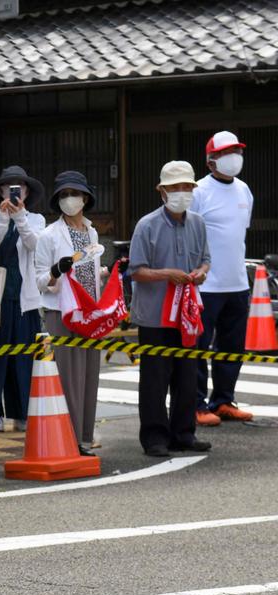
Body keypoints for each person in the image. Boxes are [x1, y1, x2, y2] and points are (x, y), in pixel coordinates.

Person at [128, 161, 212, 458]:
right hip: (154, 314)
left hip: (186, 315)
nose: (182, 192)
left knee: (188, 376)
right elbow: (135, 270)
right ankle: (154, 436)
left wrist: (200, 272)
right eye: (175, 187)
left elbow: (205, 259)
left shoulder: (198, 223)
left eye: (187, 187)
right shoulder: (147, 225)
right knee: (155, 377)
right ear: (161, 191)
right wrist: (167, 274)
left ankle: (184, 433)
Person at [36, 171, 105, 455]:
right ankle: (70, 438)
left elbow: (92, 271)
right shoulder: (48, 235)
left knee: (89, 375)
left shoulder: (92, 232)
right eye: (63, 195)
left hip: (90, 312)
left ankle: (85, 438)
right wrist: (55, 271)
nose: (69, 200)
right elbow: (40, 280)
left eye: (73, 194)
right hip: (62, 313)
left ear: (85, 198)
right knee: (68, 377)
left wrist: (104, 274)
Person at [192, 130, 254, 425]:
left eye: (238, 151)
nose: (234, 157)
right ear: (211, 161)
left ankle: (223, 400)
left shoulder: (244, 190)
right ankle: (196, 404)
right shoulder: (199, 191)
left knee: (232, 346)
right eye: (227, 152)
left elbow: (239, 233)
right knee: (199, 346)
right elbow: (189, 235)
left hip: (238, 282)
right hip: (207, 284)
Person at [0, 166, 44, 435]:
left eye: (19, 187)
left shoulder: (37, 219)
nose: (14, 191)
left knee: (24, 359)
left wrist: (20, 218)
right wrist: (3, 220)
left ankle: (22, 414)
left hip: (25, 299)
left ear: (27, 192)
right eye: (9, 186)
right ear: (0, 191)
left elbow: (37, 247)